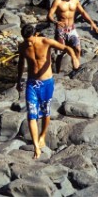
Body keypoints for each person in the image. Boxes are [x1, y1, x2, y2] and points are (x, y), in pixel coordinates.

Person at [16, 24, 80, 159]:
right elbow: (21, 63)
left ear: (36, 34)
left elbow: (66, 47)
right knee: (31, 115)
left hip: (47, 83)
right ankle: (36, 147)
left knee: (45, 112)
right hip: (32, 84)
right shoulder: (22, 47)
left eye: (30, 40)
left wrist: (74, 57)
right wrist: (18, 80)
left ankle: (43, 135)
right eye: (26, 40)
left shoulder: (46, 42)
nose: (29, 43)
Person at [47, 0, 98, 73]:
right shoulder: (58, 1)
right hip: (61, 31)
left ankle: (76, 69)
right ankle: (58, 72)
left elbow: (83, 12)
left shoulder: (75, 1)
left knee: (77, 49)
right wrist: (56, 21)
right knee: (60, 53)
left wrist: (92, 23)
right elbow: (49, 15)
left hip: (72, 29)